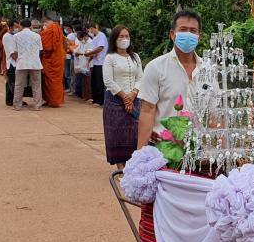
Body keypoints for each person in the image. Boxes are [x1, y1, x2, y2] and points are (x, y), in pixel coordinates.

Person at [137, 10, 210, 148]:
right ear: (172, 34)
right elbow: (147, 111)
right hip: (163, 148)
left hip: (199, 152)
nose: (188, 34)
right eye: (183, 29)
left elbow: (214, 115)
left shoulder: (208, 70)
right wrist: (140, 155)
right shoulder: (156, 68)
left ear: (199, 37)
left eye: (193, 31)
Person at [103, 25, 144, 168]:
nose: (124, 39)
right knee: (117, 134)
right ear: (114, 39)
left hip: (134, 99)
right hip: (115, 100)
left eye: (127, 36)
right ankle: (120, 167)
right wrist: (125, 97)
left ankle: (131, 165)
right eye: (121, 36)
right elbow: (108, 81)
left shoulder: (135, 57)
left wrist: (133, 94)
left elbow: (140, 77)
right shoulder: (110, 58)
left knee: (133, 133)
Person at [12, 18, 44, 110]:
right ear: (30, 26)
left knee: (19, 85)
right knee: (37, 85)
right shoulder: (37, 36)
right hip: (35, 63)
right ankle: (37, 105)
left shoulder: (16, 36)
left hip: (22, 62)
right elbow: (40, 50)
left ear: (21, 26)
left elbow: (15, 51)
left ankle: (17, 105)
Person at [41, 14, 66, 107]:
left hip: (51, 59)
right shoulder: (58, 29)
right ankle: (51, 100)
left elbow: (47, 47)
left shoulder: (51, 29)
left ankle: (54, 101)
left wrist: (42, 35)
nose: (44, 27)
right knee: (56, 81)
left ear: (46, 22)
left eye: (44, 24)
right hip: (58, 58)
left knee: (51, 81)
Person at [86, 22, 109, 106]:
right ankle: (95, 99)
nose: (90, 32)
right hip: (95, 62)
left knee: (99, 82)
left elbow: (100, 48)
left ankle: (100, 101)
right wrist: (90, 58)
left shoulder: (101, 35)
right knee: (94, 81)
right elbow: (94, 50)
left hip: (101, 62)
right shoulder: (94, 38)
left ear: (93, 28)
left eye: (90, 30)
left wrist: (89, 53)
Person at [2, 20, 18, 106]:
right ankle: (11, 101)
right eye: (16, 27)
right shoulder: (7, 37)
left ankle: (12, 100)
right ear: (11, 27)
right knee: (12, 83)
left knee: (11, 82)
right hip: (12, 62)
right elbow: (12, 53)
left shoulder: (14, 36)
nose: (17, 29)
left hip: (16, 62)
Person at [73, 27, 92, 100]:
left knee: (88, 81)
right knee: (84, 81)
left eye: (80, 39)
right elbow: (76, 50)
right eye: (79, 39)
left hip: (88, 64)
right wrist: (76, 53)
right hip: (82, 64)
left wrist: (79, 53)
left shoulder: (90, 42)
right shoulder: (82, 43)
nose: (80, 40)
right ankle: (85, 96)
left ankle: (89, 97)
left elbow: (89, 53)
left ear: (84, 37)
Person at [64, 23, 77, 94]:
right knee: (71, 73)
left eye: (66, 28)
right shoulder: (74, 35)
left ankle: (70, 88)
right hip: (71, 56)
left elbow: (68, 45)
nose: (65, 29)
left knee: (68, 73)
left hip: (69, 56)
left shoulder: (70, 35)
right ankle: (71, 88)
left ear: (69, 28)